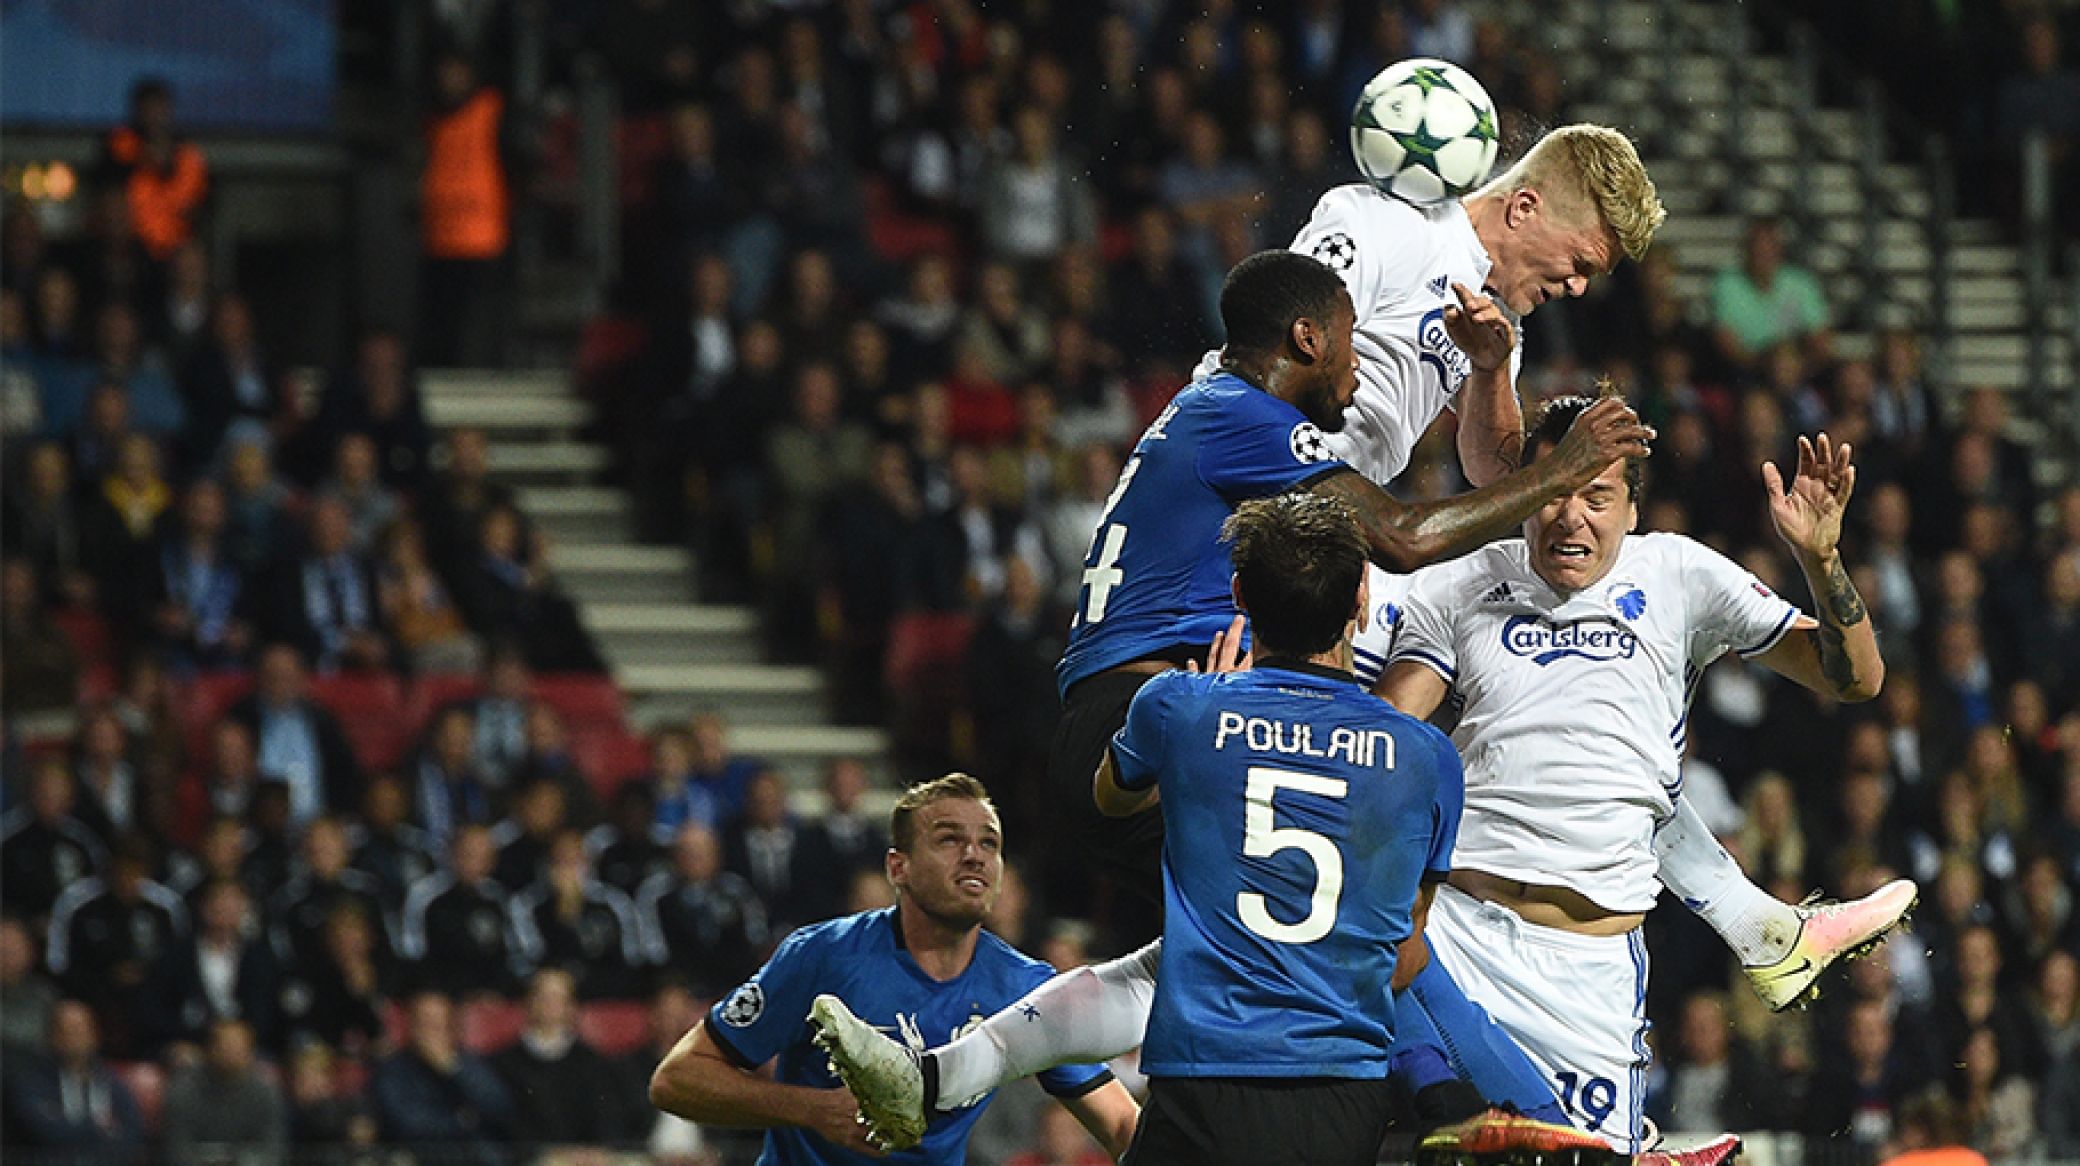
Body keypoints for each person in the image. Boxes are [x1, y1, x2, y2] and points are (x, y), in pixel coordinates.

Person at [819, 247, 1650, 1152]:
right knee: (1356, 934)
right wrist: (1560, 471)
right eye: (1347, 343)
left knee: (1213, 958)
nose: (1360, 366)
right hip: (1159, 718)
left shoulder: (1203, 412)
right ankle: (1503, 1118)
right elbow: (1403, 537)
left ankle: (943, 1073)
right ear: (1305, 337)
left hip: (1132, 717)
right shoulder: (1243, 418)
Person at [1371, 397, 1893, 1147]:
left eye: (1596, 495)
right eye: (1554, 489)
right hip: (1460, 934)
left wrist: (1821, 560)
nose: (1570, 516)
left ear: (1631, 508)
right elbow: (1389, 730)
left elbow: (1855, 679)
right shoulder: (1465, 580)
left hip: (1589, 975)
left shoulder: (1680, 573)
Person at [1087, 493, 1477, 1166]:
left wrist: (1204, 735)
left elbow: (1110, 800)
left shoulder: (1178, 710)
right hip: (1343, 1089)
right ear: (1361, 597)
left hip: (1205, 1074)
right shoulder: (1426, 758)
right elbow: (1404, 955)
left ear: (1239, 593)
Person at [648, 773, 1141, 1163]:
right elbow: (676, 1079)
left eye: (989, 843)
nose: (974, 856)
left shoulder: (1026, 988)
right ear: (897, 868)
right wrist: (815, 1110)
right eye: (949, 840)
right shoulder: (824, 956)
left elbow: (1121, 1126)